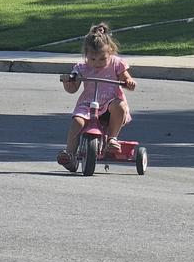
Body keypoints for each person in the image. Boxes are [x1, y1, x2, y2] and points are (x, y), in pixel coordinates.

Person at [57, 22, 137, 172]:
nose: (97, 63)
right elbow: (72, 89)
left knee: (119, 106)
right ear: (86, 55)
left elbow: (125, 78)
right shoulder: (81, 68)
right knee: (77, 121)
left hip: (109, 102)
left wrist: (129, 82)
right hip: (88, 103)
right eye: (92, 59)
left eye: (102, 59)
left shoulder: (116, 63)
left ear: (111, 52)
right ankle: (70, 154)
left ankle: (112, 138)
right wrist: (68, 81)